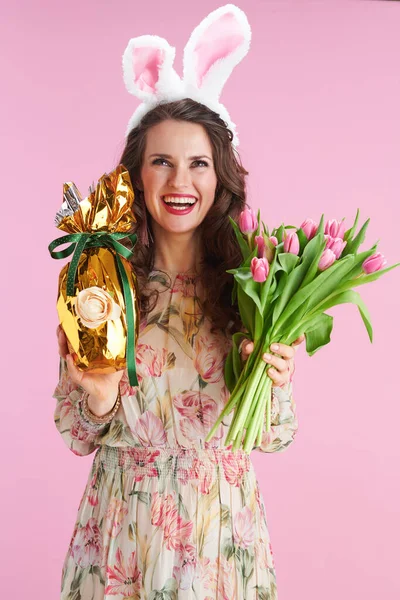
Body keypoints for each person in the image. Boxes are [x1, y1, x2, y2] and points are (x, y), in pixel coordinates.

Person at [54, 98, 305, 599]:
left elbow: (275, 436)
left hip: (223, 536)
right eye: (161, 162)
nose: (179, 181)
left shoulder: (251, 290)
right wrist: (101, 399)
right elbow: (76, 433)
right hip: (123, 537)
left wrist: (276, 382)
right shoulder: (102, 286)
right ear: (136, 177)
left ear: (220, 178)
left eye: (199, 163)